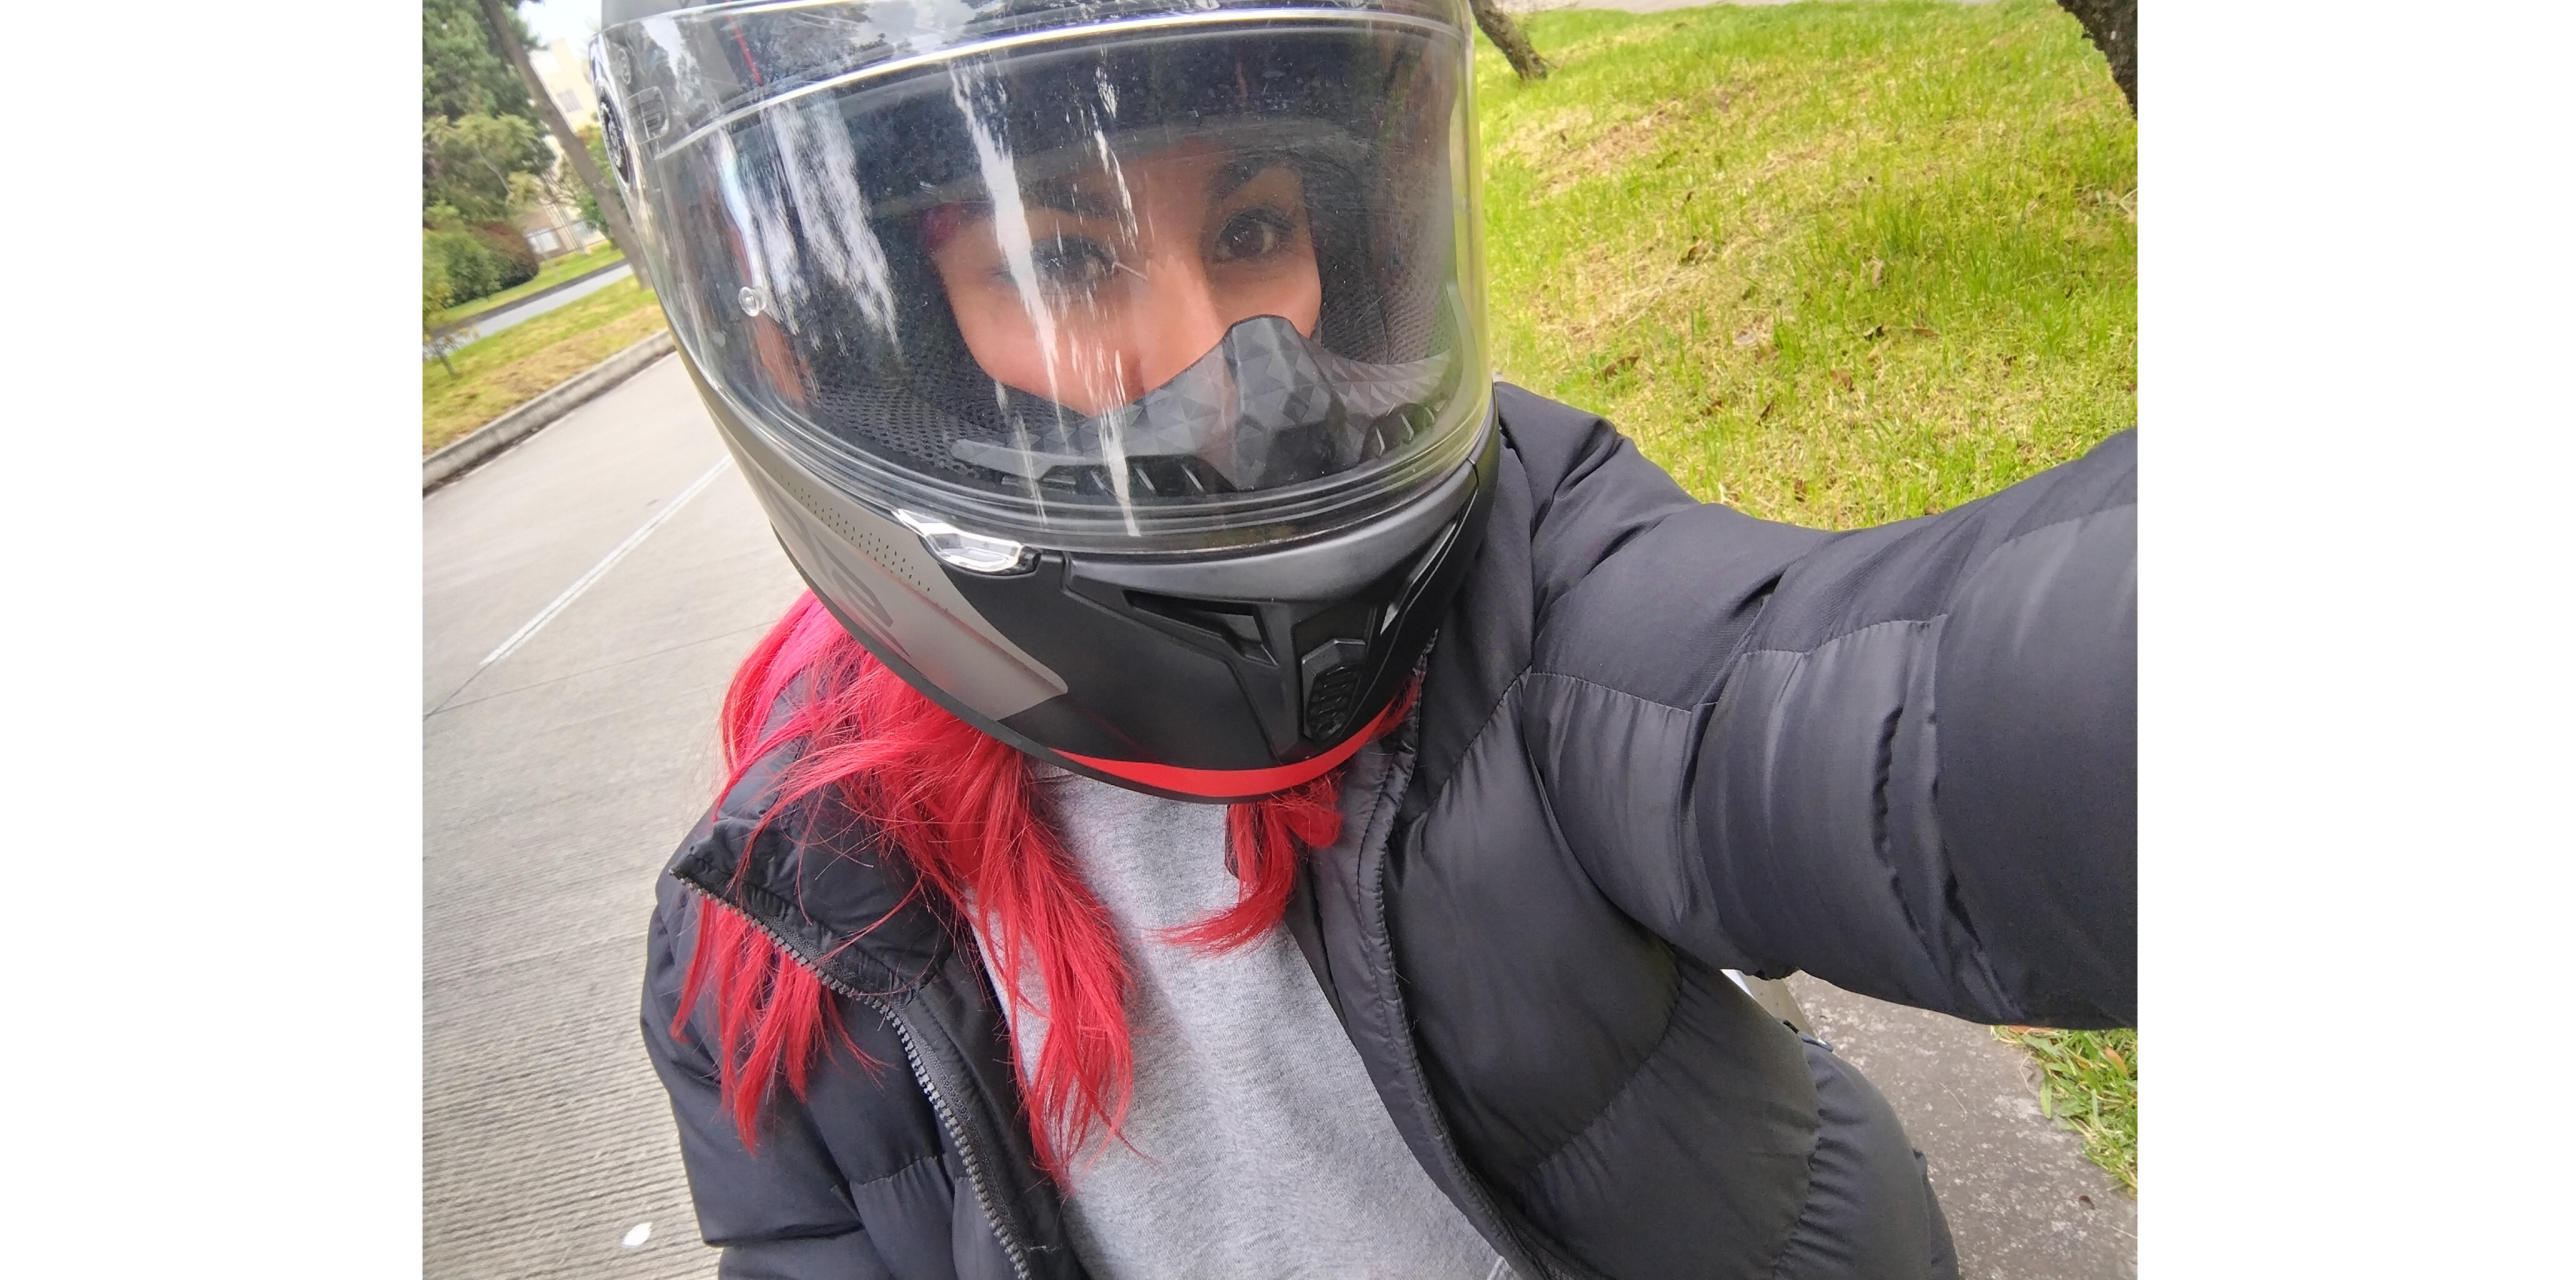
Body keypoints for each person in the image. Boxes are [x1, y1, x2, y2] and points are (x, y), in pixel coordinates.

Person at [593, 2, 2135, 1278]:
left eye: (1255, 228)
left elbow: (1882, 713)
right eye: (1065, 260)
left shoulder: (1519, 568)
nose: (1217, 368)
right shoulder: (788, 918)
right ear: (873, 344)